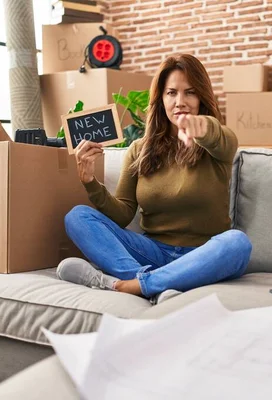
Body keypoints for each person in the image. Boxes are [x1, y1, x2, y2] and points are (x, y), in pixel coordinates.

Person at [56, 54, 252, 304]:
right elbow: (123, 214)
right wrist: (90, 181)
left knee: (238, 243)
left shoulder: (218, 145)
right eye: (171, 93)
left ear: (201, 97)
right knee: (78, 217)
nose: (180, 102)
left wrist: (197, 126)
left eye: (190, 93)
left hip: (202, 256)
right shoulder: (139, 149)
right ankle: (154, 284)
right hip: (152, 252)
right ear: (161, 98)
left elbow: (215, 134)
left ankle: (128, 285)